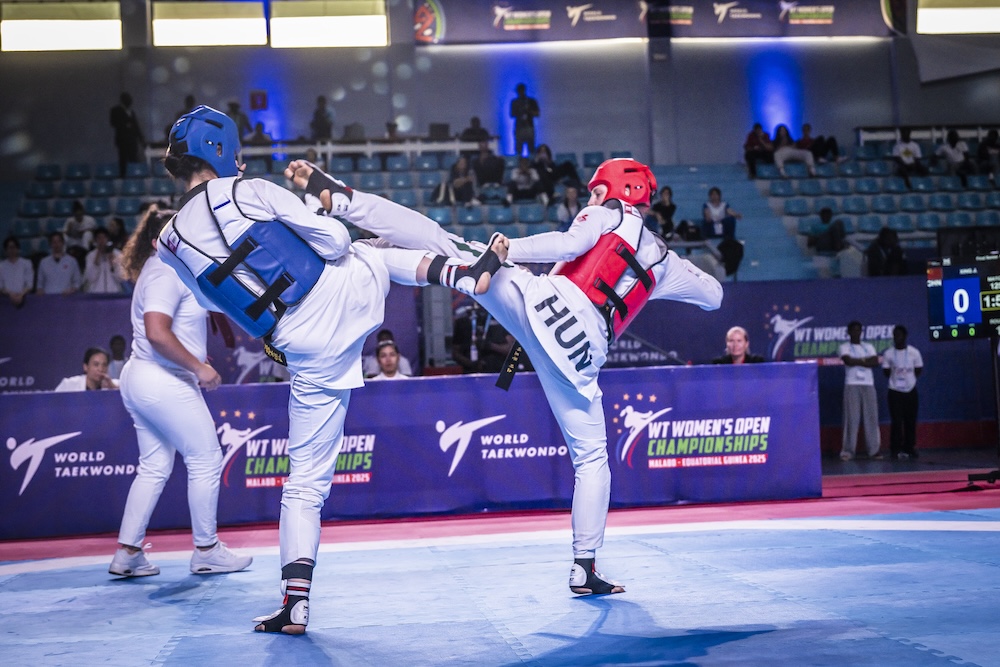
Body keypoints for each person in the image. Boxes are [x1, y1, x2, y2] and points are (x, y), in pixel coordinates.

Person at [289, 156, 724, 597]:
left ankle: (346, 203)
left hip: (548, 307)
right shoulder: (664, 260)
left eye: (596, 191)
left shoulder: (609, 212)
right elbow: (713, 296)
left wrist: (507, 249)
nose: (590, 199)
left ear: (621, 191)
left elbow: (568, 244)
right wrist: (658, 278)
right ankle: (585, 566)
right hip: (584, 354)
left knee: (445, 242)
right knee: (592, 458)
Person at [157, 105, 507, 634]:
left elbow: (213, 299)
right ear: (221, 150)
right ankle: (462, 275)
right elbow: (335, 242)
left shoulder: (168, 242)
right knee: (371, 250)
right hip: (335, 297)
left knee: (303, 483)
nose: (241, 161)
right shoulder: (251, 190)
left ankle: (294, 602)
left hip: (299, 346)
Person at [109, 206, 254, 579]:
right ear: (159, 241)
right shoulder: (165, 270)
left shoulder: (165, 268)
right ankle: (207, 550)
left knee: (155, 465)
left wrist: (193, 352)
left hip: (146, 377)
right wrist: (198, 366)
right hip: (163, 378)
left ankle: (128, 553)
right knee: (206, 458)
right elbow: (157, 333)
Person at [838, 320, 882, 461]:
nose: (856, 332)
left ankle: (873, 450)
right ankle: (848, 451)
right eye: (854, 330)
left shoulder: (868, 347)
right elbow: (848, 361)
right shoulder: (844, 347)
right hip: (852, 384)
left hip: (868, 384)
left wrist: (857, 360)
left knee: (871, 417)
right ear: (849, 332)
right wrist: (864, 361)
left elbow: (874, 362)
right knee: (851, 418)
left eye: (859, 330)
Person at [881, 325, 923, 460]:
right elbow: (886, 372)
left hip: (910, 390)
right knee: (896, 421)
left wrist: (907, 378)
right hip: (894, 391)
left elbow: (918, 369)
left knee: (910, 420)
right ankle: (895, 448)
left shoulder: (914, 352)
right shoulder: (888, 353)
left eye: (899, 335)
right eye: (895, 335)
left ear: (905, 336)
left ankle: (910, 447)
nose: (897, 337)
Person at [110, 92, 145, 178]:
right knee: (123, 159)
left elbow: (136, 126)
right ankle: (123, 176)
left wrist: (141, 139)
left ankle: (135, 175)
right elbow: (113, 122)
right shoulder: (115, 110)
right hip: (122, 140)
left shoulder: (131, 112)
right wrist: (125, 124)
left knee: (133, 158)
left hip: (132, 140)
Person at [54, 347, 118, 391]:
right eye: (96, 364)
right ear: (85, 367)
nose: (100, 369)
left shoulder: (113, 385)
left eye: (104, 365)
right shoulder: (69, 385)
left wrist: (113, 387)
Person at [83, 227, 124, 294]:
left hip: (114, 293)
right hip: (96, 293)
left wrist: (113, 263)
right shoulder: (90, 256)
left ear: (108, 239)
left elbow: (121, 278)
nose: (102, 241)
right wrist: (96, 260)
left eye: (104, 237)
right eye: (99, 238)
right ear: (95, 240)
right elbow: (90, 278)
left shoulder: (117, 254)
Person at [0, 236, 34, 307]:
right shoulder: (1, 266)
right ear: (6, 250)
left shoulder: (27, 263)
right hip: (6, 301)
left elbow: (29, 285)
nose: (12, 250)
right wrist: (11, 294)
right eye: (9, 248)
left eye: (14, 247)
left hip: (24, 299)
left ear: (17, 248)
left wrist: (21, 295)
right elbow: (1, 287)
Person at [510, 83, 540, 158]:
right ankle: (519, 162)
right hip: (519, 127)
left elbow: (537, 113)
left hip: (528, 126)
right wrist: (519, 109)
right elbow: (512, 114)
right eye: (519, 91)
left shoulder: (531, 101)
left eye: (521, 90)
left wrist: (528, 110)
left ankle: (532, 162)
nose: (520, 92)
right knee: (518, 149)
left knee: (531, 148)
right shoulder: (515, 102)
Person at [64, 200, 96, 265]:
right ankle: (63, 255)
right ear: (74, 214)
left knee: (87, 234)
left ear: (83, 212)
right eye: (77, 215)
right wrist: (69, 229)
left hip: (85, 242)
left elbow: (96, 232)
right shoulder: (70, 221)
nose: (79, 217)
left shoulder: (90, 220)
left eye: (80, 215)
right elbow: (64, 234)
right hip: (74, 241)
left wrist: (86, 231)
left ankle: (85, 254)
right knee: (63, 237)